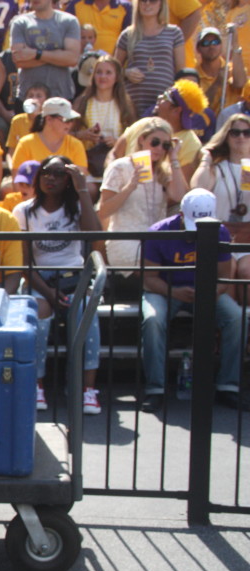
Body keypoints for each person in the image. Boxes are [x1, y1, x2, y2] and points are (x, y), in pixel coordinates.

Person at [140, 188, 248, 412]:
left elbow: (223, 278)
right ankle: (155, 389)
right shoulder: (158, 232)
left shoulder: (221, 232)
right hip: (164, 291)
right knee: (153, 319)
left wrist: (211, 292)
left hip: (206, 291)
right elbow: (149, 279)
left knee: (237, 318)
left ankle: (229, 386)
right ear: (180, 213)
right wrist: (174, 292)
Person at [13, 155, 104, 414]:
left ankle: (87, 389)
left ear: (68, 180)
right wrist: (49, 293)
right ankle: (36, 384)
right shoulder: (24, 211)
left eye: (58, 173)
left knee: (88, 313)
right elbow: (25, 264)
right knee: (39, 314)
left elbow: (94, 234)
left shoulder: (76, 209)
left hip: (74, 277)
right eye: (45, 173)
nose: (50, 178)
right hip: (40, 279)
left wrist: (83, 189)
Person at [99, 116, 188, 273]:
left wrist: (174, 158)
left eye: (165, 145)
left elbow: (180, 196)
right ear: (142, 140)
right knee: (160, 267)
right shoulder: (119, 167)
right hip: (126, 241)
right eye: (155, 142)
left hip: (156, 242)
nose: (159, 148)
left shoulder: (164, 171)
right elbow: (104, 211)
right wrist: (130, 187)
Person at [191, 114, 250, 291]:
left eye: (247, 132)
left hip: (248, 236)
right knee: (227, 272)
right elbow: (197, 190)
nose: (241, 137)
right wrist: (206, 158)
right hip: (223, 234)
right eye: (235, 132)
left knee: (247, 272)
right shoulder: (217, 168)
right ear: (227, 136)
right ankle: (229, 318)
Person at [112, 79, 207, 181]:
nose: (159, 97)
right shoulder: (143, 124)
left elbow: (182, 188)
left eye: (166, 96)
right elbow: (114, 154)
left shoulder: (191, 144)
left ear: (176, 110)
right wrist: (113, 175)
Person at [114, 0, 185, 116]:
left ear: (161, 4)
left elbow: (181, 73)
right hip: (133, 104)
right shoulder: (127, 34)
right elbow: (113, 70)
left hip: (165, 104)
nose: (147, 4)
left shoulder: (174, 33)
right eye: (143, 1)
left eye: (152, 1)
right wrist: (125, 72)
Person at [72, 55, 136, 179]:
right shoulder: (82, 102)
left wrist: (117, 142)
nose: (103, 77)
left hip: (116, 161)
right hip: (87, 162)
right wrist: (82, 135)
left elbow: (133, 137)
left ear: (116, 77)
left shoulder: (125, 105)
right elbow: (67, 133)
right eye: (99, 72)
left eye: (108, 73)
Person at [10, 0, 82, 101]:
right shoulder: (20, 23)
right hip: (28, 97)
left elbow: (72, 59)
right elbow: (19, 60)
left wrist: (36, 54)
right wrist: (58, 56)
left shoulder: (69, 21)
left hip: (61, 97)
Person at [12, 97, 89, 174]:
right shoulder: (25, 144)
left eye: (71, 120)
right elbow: (18, 181)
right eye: (66, 120)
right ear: (49, 119)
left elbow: (80, 180)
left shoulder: (76, 145)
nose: (70, 124)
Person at [194, 26, 245, 118]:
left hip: (233, 127)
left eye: (215, 42)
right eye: (205, 43)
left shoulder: (231, 69)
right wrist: (218, 83)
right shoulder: (194, 76)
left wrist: (235, 43)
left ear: (221, 45)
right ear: (198, 48)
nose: (211, 46)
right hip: (206, 128)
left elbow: (240, 84)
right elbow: (199, 108)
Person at [66, 0, 133, 56]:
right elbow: (65, 34)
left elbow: (129, 40)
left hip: (113, 67)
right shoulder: (75, 4)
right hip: (80, 65)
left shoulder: (126, 7)